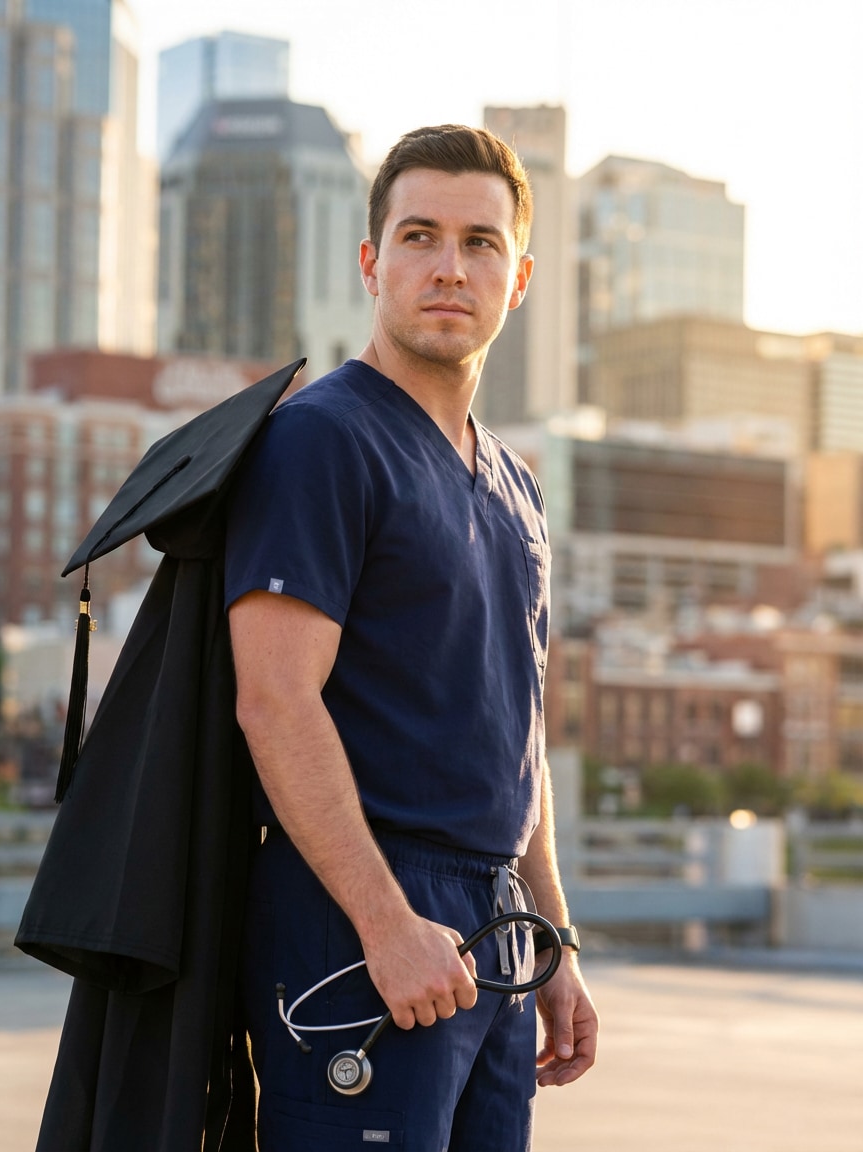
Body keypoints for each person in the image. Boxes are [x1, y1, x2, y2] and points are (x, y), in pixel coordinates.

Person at [225, 124, 598, 1150]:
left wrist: (550, 934)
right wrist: (384, 922)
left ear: (517, 278)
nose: (448, 266)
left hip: (494, 926)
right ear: (370, 261)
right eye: (419, 235)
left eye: (479, 243)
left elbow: (516, 742)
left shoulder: (518, 487)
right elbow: (274, 699)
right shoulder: (322, 440)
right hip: (359, 911)